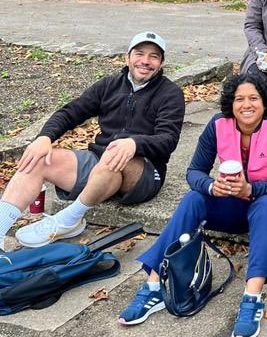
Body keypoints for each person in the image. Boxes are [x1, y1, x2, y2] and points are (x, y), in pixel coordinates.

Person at [118, 72, 267, 337]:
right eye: (239, 99)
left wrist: (252, 189)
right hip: (235, 207)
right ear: (231, 103)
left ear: (265, 103)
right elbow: (194, 172)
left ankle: (252, 298)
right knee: (194, 198)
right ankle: (154, 286)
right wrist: (211, 187)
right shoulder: (218, 125)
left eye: (254, 98)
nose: (246, 105)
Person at [0, 32, 185, 249]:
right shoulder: (109, 85)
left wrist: (134, 143)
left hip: (143, 171)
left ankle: (69, 219)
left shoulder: (171, 93)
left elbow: (168, 139)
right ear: (127, 57)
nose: (145, 61)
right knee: (39, 159)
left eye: (154, 56)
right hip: (100, 161)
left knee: (116, 152)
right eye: (139, 53)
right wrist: (44, 137)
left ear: (161, 63)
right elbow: (71, 112)